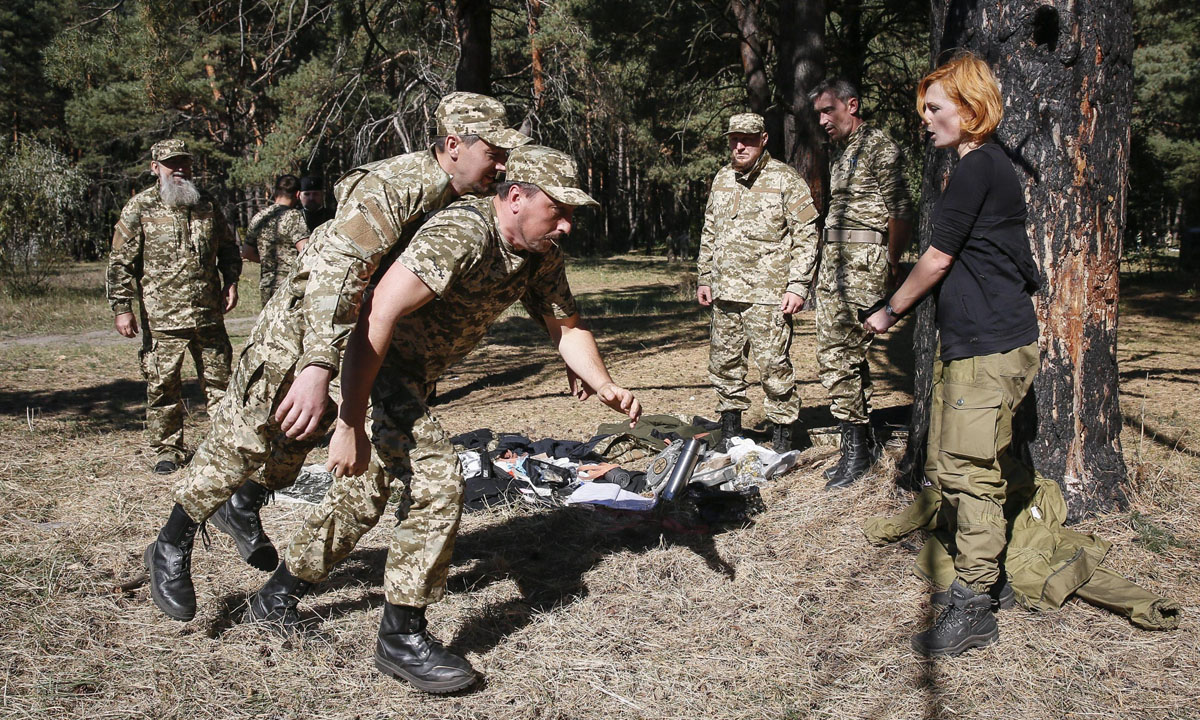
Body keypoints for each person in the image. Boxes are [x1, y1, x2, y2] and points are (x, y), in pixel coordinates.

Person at [242, 146, 642, 694]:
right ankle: (401, 637)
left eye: (573, 213)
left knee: (362, 495)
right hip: (375, 368)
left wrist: (604, 384)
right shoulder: (461, 235)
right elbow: (375, 314)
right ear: (516, 198)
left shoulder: (539, 251)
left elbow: (566, 326)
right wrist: (350, 422)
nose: (568, 225)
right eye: (559, 210)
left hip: (410, 377)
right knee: (437, 480)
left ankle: (275, 596)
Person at [142, 92, 530, 623]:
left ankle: (246, 505)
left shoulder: (462, 203)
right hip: (303, 329)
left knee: (300, 448)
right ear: (455, 145)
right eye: (495, 152)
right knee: (249, 436)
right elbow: (335, 274)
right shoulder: (394, 187)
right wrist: (317, 365)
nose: (503, 165)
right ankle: (170, 542)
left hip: (365, 346)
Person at [863, 52, 1041, 657]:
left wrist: (889, 311)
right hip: (988, 343)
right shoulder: (982, 166)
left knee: (969, 472)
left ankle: (975, 604)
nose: (927, 120)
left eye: (935, 109)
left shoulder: (975, 168)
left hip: (987, 348)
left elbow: (936, 258)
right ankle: (992, 581)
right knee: (980, 461)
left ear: (968, 109)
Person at [106, 139, 241, 475]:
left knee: (221, 384)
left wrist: (231, 281)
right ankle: (168, 449)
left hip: (208, 314)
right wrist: (122, 307)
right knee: (163, 386)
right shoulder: (140, 207)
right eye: (171, 163)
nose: (179, 169)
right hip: (163, 317)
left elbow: (228, 248)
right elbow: (120, 262)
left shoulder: (206, 203)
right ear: (156, 168)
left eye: (184, 162)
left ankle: (223, 446)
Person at [810, 80, 914, 489]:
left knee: (842, 355)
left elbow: (901, 210)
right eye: (818, 113)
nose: (822, 120)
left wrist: (890, 260)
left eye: (828, 110)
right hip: (836, 265)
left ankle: (857, 453)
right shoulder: (844, 154)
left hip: (862, 264)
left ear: (852, 105)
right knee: (839, 357)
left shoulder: (878, 147)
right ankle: (860, 443)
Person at [696, 112, 820, 453]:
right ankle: (731, 432)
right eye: (734, 138)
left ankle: (783, 438)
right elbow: (710, 232)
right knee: (724, 365)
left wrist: (798, 285)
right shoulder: (723, 179)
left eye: (748, 139)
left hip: (768, 295)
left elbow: (807, 235)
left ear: (763, 139)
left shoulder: (785, 179)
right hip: (725, 293)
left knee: (773, 367)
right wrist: (705, 277)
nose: (739, 145)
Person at [244, 174, 309, 306]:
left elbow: (247, 253)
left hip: (267, 285)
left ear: (275, 192)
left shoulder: (259, 217)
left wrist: (267, 261)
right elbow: (306, 250)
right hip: (290, 285)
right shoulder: (293, 216)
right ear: (297, 195)